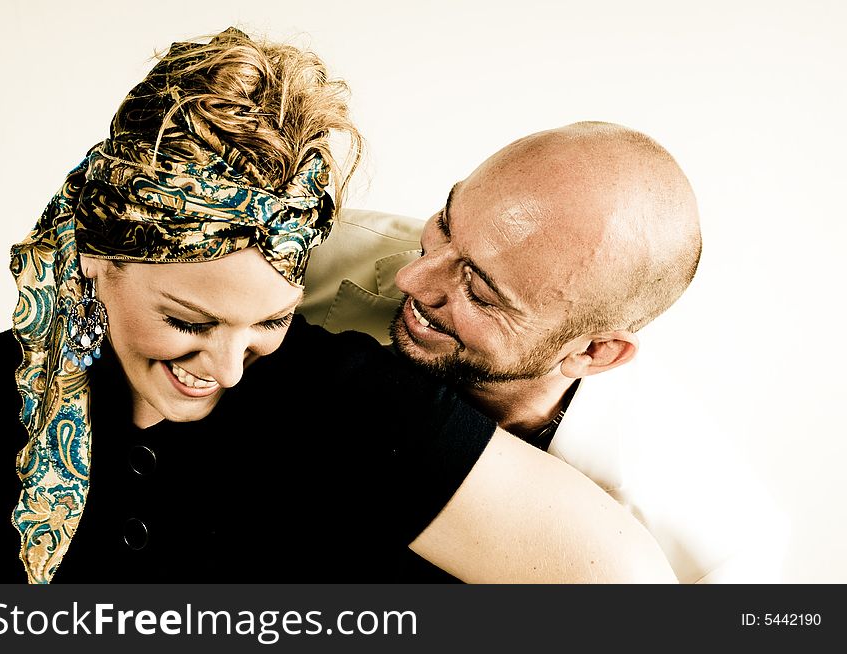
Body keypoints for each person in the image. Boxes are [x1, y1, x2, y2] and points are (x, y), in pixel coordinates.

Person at [0, 29, 677, 584]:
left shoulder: (354, 401)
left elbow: (631, 595)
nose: (229, 367)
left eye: (270, 321)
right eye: (188, 320)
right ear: (97, 262)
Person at [300, 123, 789, 583]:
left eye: (480, 291)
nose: (413, 278)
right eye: (445, 225)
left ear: (595, 352)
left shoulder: (720, 554)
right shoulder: (307, 251)